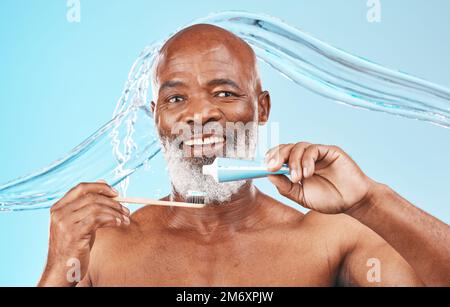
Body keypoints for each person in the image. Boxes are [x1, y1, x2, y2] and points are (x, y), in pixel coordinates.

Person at [38, 24, 450, 287]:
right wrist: (57, 270)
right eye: (176, 97)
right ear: (157, 118)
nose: (200, 113)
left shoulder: (327, 239)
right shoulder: (102, 249)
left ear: (262, 108)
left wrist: (370, 201)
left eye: (225, 93)